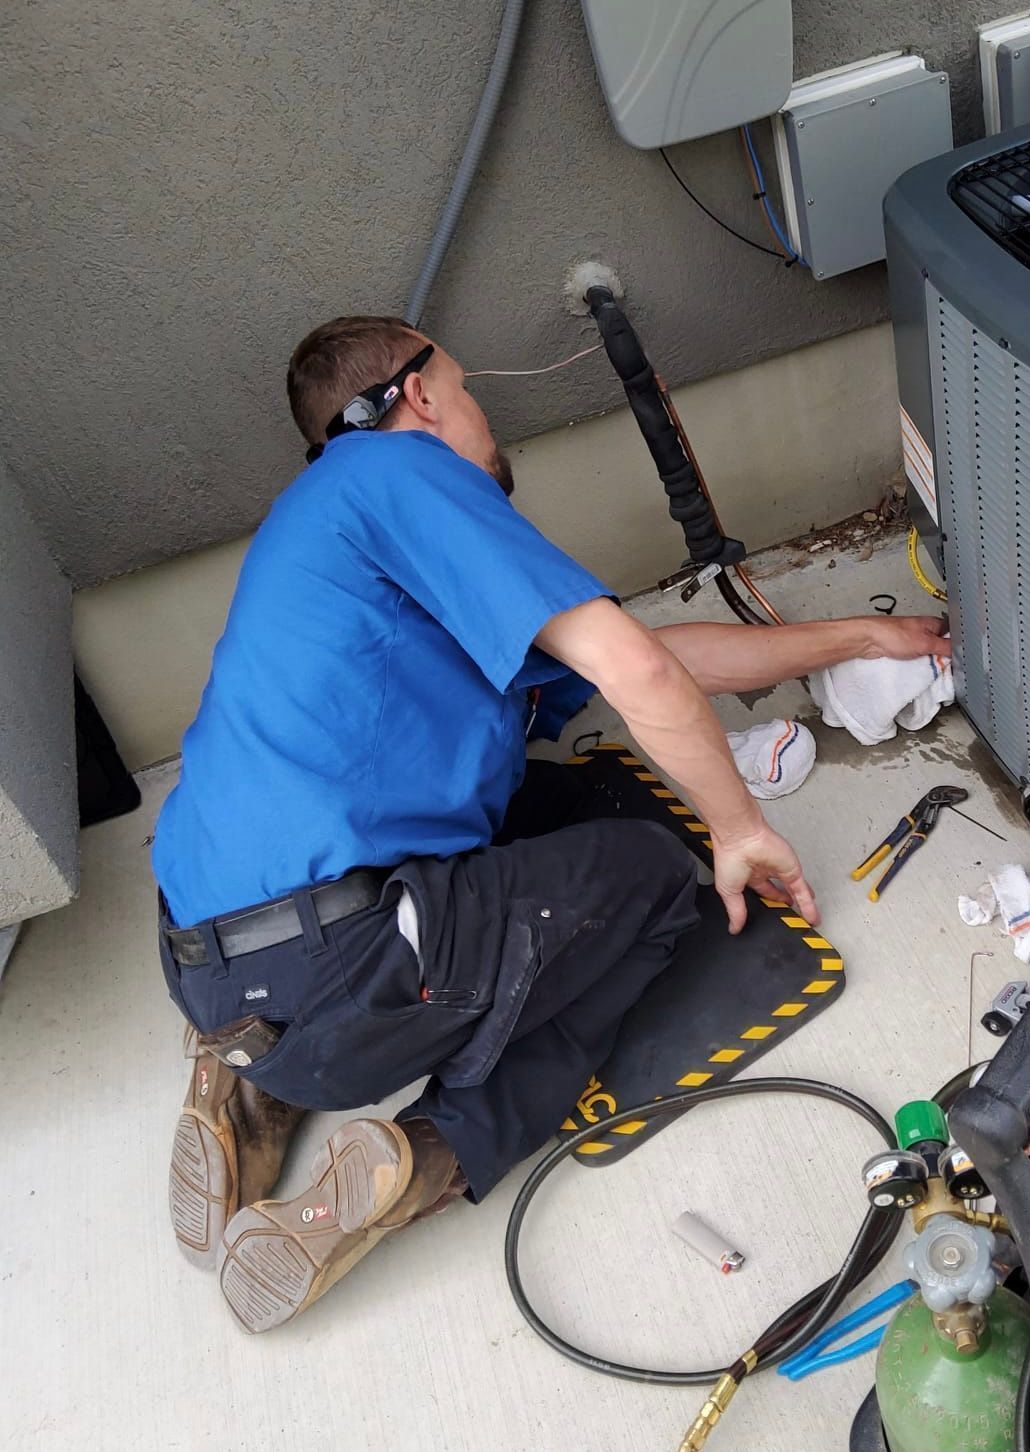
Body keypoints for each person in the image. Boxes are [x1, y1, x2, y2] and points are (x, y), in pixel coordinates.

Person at [153, 314, 948, 1332]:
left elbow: (661, 655)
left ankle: (254, 1084)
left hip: (201, 959)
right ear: (419, 397)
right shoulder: (395, 472)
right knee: (658, 877)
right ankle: (426, 1156)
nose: (487, 415)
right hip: (344, 956)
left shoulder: (331, 539)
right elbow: (642, 670)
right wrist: (737, 826)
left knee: (520, 816)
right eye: (467, 384)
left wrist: (866, 632)